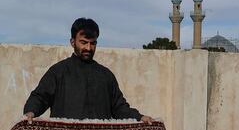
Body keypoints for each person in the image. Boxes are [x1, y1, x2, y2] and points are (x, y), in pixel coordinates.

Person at [23, 18, 153, 123]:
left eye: (93, 43)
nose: (89, 48)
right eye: (83, 42)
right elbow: (40, 97)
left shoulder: (106, 75)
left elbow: (119, 107)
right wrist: (30, 111)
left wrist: (139, 117)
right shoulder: (58, 72)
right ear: (72, 42)